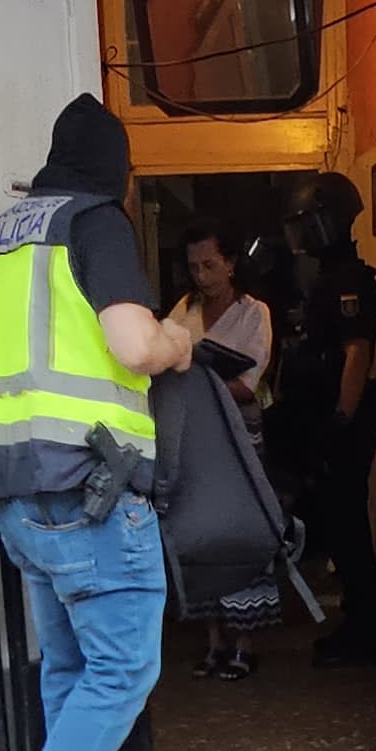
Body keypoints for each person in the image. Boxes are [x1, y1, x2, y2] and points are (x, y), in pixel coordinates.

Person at [0, 97, 197, 751]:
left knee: (68, 670)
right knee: (124, 669)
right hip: (91, 492)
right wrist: (179, 340)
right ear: (117, 174)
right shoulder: (95, 223)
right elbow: (134, 345)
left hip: (17, 494)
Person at [265, 172, 376, 669]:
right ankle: (356, 628)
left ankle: (365, 635)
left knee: (349, 527)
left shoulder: (349, 281)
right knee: (339, 526)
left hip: (342, 424)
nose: (298, 237)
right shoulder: (324, 279)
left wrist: (340, 420)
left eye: (303, 225)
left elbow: (357, 353)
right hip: (324, 422)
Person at [168, 222, 273, 680]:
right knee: (201, 532)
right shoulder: (183, 311)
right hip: (194, 439)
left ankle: (245, 643)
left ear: (230, 264)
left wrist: (200, 383)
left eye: (210, 265)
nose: (202, 276)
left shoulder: (254, 313)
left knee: (243, 529)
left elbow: (249, 385)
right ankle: (213, 642)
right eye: (194, 267)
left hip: (241, 436)